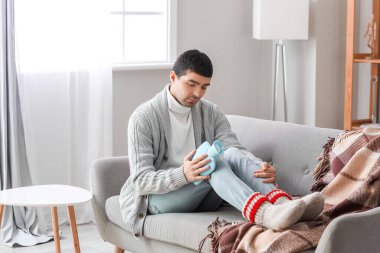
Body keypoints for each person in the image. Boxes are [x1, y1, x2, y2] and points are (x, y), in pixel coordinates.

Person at [119, 49, 324, 237]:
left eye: (204, 87)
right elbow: (141, 180)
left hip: (204, 193)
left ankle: (284, 204)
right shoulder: (143, 118)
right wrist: (184, 174)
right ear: (173, 77)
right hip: (159, 199)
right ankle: (266, 214)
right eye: (191, 84)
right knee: (211, 163)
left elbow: (234, 149)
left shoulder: (210, 112)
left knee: (230, 155)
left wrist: (259, 166)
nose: (198, 93)